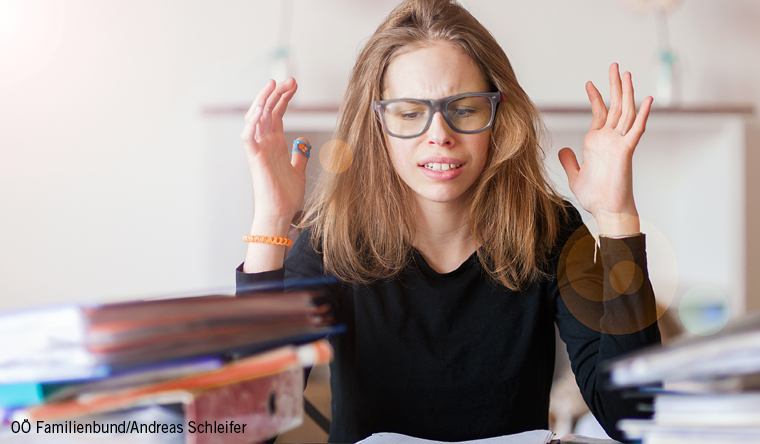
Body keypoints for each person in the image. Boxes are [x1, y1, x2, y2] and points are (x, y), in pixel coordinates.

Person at [236, 0, 660, 442]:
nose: (439, 133)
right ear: (377, 124)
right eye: (409, 112)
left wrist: (617, 218)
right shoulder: (331, 244)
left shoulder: (549, 230)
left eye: (464, 108)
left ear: (499, 114)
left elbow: (632, 416)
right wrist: (271, 218)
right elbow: (250, 426)